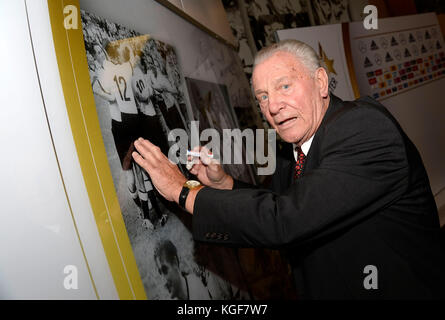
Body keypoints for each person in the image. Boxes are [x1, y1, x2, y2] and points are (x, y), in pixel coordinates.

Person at [132, 40, 445, 299]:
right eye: (263, 97)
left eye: (284, 86)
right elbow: (278, 200)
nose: (273, 106)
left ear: (321, 82)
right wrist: (225, 183)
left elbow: (286, 218)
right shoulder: (292, 145)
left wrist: (181, 190)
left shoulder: (363, 128)